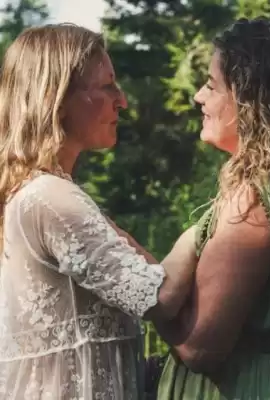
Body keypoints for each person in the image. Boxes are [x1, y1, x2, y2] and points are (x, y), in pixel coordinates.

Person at [0, 24, 198, 399]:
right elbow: (159, 299)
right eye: (107, 86)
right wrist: (206, 229)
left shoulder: (40, 193)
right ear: (56, 98)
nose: (121, 101)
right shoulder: (51, 198)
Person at [156, 18, 270, 400]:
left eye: (211, 85)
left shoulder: (252, 202)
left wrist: (142, 294)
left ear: (251, 103)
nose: (198, 97)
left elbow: (200, 349)